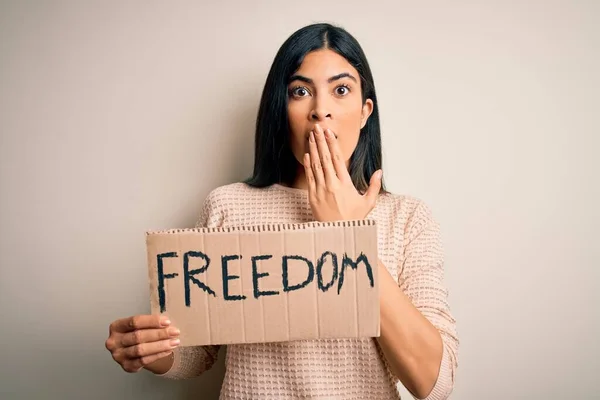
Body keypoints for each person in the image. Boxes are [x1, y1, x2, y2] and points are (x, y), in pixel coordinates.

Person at [105, 23, 459, 400]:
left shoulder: (408, 219)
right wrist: (151, 349)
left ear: (364, 111)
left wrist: (347, 231)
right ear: (280, 108)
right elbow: (199, 352)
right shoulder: (228, 206)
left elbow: (432, 381)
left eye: (341, 90)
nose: (320, 110)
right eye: (300, 91)